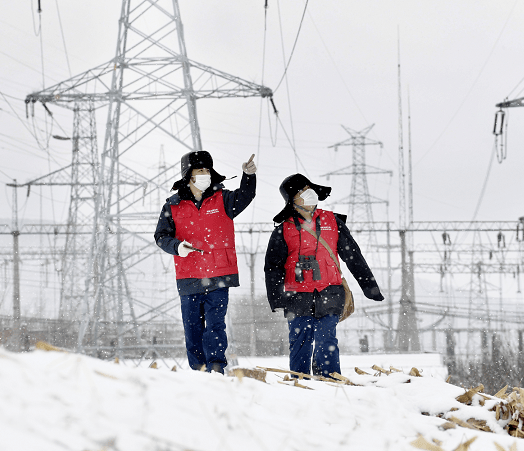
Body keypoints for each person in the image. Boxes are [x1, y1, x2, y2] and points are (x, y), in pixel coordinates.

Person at [264, 173, 384, 378]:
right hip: (297, 296)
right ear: (293, 199)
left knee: (326, 340)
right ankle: (300, 383)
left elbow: (353, 256)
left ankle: (329, 381)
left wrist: (369, 287)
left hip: (329, 291)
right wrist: (276, 298)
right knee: (300, 342)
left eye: (308, 188)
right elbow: (273, 266)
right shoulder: (283, 229)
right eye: (302, 191)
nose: (308, 193)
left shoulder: (333, 221)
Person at [155, 150, 257, 372]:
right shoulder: (172, 206)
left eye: (207, 170)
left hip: (219, 274)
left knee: (215, 325)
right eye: (200, 170)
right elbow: (161, 237)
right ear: (188, 176)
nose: (205, 174)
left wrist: (248, 176)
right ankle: (198, 371)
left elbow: (246, 195)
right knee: (192, 328)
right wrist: (177, 247)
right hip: (188, 275)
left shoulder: (224, 199)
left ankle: (217, 368)